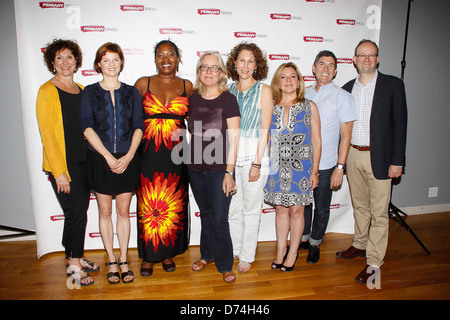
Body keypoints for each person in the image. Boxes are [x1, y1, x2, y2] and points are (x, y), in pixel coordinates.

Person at [337, 39, 407, 284]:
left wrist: (398, 160)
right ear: (354, 60)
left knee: (378, 213)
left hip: (381, 157)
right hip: (353, 155)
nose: (366, 59)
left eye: (371, 55)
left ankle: (374, 262)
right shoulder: (346, 88)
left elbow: (400, 125)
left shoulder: (393, 85)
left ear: (377, 59)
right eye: (361, 55)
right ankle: (359, 243)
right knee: (360, 206)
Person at [79, 42, 144, 284]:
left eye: (115, 59)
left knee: (124, 212)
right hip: (100, 159)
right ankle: (111, 259)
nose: (111, 64)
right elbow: (86, 126)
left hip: (128, 158)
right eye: (106, 60)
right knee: (105, 211)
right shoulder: (89, 92)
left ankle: (125, 258)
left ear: (121, 63)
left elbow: (139, 126)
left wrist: (127, 157)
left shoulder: (131, 92)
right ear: (98, 64)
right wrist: (108, 156)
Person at [36, 38, 98, 287]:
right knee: (74, 212)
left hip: (84, 161)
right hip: (63, 164)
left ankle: (75, 255)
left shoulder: (82, 89)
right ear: (52, 62)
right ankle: (74, 267)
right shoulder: (46, 91)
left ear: (76, 62)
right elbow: (47, 135)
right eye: (59, 57)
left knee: (78, 212)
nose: (65, 62)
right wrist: (59, 171)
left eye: (69, 57)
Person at [134, 40, 193, 276]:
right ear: (155, 58)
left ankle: (167, 253)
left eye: (171, 54)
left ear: (178, 58)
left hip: (178, 153)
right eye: (160, 55)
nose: (165, 59)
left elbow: (203, 117)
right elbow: (129, 119)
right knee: (148, 201)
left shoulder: (188, 85)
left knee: (174, 202)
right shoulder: (142, 83)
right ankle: (148, 256)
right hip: (148, 152)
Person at [187, 52, 240, 283]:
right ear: (199, 71)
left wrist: (229, 172)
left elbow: (235, 138)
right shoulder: (192, 98)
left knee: (219, 219)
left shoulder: (228, 99)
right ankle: (206, 255)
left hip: (220, 169)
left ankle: (225, 265)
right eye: (204, 67)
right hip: (195, 168)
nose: (209, 72)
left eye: (214, 68)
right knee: (206, 214)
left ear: (221, 73)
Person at [300, 50, 357, 264]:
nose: (326, 68)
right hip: (303, 162)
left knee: (322, 208)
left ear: (335, 70)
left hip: (327, 164)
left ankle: (315, 243)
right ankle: (304, 238)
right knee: (304, 205)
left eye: (331, 65)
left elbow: (346, 136)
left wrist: (340, 168)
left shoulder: (343, 97)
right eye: (321, 64)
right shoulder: (303, 94)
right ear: (313, 68)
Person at [264, 62, 321, 272]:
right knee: (280, 209)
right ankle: (280, 251)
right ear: (277, 81)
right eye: (283, 77)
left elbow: (316, 140)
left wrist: (315, 170)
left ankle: (293, 252)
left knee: (297, 211)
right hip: (277, 166)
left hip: (302, 167)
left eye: (292, 76)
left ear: (299, 81)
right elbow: (267, 137)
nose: (288, 81)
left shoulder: (309, 106)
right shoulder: (271, 105)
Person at [225, 42, 273, 273]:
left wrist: (257, 162)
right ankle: (234, 248)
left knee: (252, 209)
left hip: (255, 153)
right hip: (232, 154)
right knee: (233, 206)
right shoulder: (229, 90)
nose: (245, 65)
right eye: (241, 60)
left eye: (250, 61)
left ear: (257, 65)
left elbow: (265, 130)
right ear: (234, 63)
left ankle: (247, 255)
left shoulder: (264, 90)